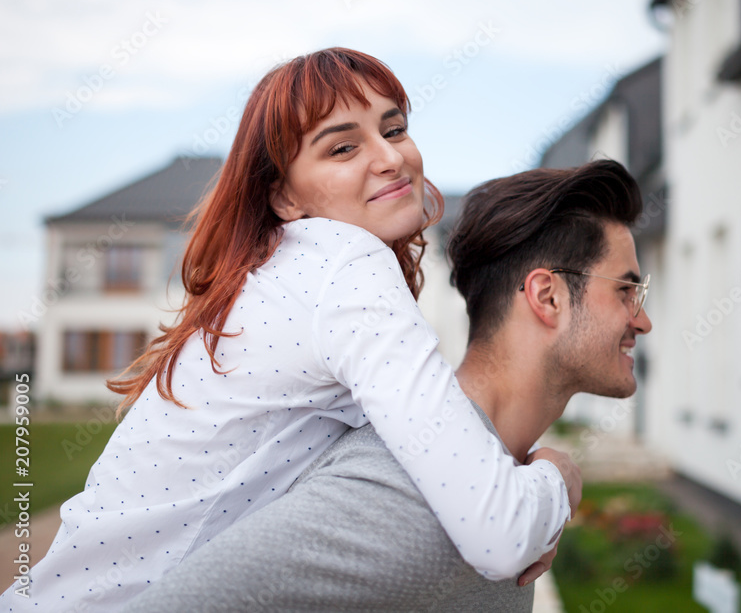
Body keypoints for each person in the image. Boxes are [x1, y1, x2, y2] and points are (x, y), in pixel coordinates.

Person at [0, 49, 579, 613]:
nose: (389, 157)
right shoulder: (343, 262)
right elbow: (499, 535)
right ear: (284, 195)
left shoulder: (274, 275)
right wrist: (557, 476)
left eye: (395, 129)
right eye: (344, 147)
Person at [119, 159, 653, 612]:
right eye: (628, 289)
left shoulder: (505, 486)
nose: (642, 320)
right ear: (549, 297)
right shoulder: (405, 495)